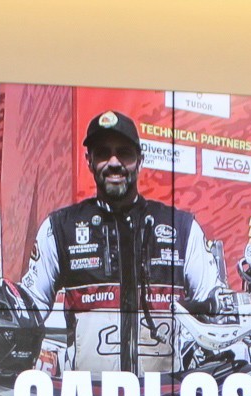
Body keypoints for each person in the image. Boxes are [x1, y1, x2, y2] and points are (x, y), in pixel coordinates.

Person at [12, 110, 221, 372]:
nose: (114, 162)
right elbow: (29, 308)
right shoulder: (61, 227)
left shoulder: (181, 227)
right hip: (89, 394)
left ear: (140, 160)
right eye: (103, 153)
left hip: (163, 393)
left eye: (124, 153)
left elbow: (214, 303)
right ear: (89, 161)